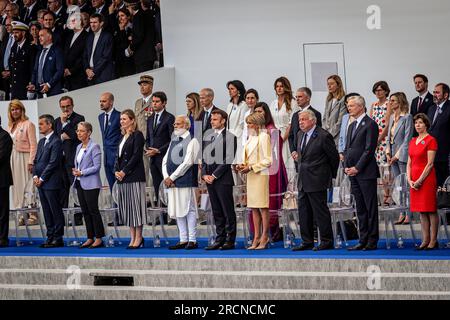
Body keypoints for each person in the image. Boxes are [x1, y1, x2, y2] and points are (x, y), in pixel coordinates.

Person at [292, 109, 339, 251]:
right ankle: (307, 241)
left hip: (317, 179)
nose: (301, 122)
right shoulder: (300, 134)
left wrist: (327, 176)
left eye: (304, 119)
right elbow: (302, 156)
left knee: (320, 212)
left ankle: (326, 240)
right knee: (304, 212)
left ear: (313, 120)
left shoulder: (323, 136)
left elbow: (334, 158)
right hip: (303, 180)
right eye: (300, 120)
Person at [344, 96, 379, 251]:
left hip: (365, 172)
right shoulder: (351, 126)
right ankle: (362, 238)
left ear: (360, 106)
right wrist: (346, 166)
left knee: (370, 207)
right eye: (348, 106)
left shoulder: (370, 124)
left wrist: (357, 167)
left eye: (351, 106)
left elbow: (369, 150)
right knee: (360, 208)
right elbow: (348, 148)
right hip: (353, 172)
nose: (349, 108)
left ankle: (372, 240)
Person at [164, 115, 200, 250]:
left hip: (185, 180)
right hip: (172, 181)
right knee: (178, 210)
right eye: (174, 124)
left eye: (178, 124)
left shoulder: (193, 140)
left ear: (186, 125)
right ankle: (183, 239)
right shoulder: (173, 140)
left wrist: (172, 177)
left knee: (188, 209)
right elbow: (165, 160)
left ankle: (192, 239)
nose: (175, 126)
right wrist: (167, 177)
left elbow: (188, 162)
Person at [202, 109, 237, 250]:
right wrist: (204, 174)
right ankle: (219, 238)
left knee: (227, 210)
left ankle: (230, 239)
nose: (212, 121)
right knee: (216, 210)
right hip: (209, 179)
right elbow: (203, 158)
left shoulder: (230, 137)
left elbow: (228, 159)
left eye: (215, 119)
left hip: (222, 179)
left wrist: (214, 175)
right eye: (211, 119)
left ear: (223, 121)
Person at [238, 112, 272, 250]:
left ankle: (264, 236)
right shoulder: (250, 138)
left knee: (263, 206)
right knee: (253, 207)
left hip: (260, 174)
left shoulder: (264, 136)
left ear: (257, 124)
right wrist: (242, 165)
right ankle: (256, 236)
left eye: (250, 123)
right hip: (250, 176)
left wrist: (251, 167)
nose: (248, 126)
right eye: (247, 123)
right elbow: (247, 157)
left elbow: (268, 160)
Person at [254, 102, 287, 241]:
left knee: (270, 203)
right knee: (257, 203)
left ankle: (271, 233)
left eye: (261, 112)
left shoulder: (272, 130)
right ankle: (258, 234)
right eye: (255, 112)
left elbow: (275, 155)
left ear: (266, 114)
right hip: (257, 171)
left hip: (271, 170)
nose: (258, 114)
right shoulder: (254, 131)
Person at [115, 109, 147, 249]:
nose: (122, 121)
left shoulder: (137, 135)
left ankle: (139, 237)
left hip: (134, 176)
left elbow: (136, 156)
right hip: (122, 178)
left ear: (132, 120)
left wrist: (124, 171)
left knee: (136, 208)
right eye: (121, 119)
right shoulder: (122, 137)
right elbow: (118, 157)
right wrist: (117, 171)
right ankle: (132, 236)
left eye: (124, 119)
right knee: (128, 208)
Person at [407, 114, 439, 250]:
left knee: (430, 210)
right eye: (416, 123)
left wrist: (420, 180)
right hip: (414, 180)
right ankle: (424, 240)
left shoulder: (431, 140)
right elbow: (409, 162)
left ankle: (433, 240)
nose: (418, 125)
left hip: (426, 179)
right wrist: (409, 179)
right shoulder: (412, 141)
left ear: (426, 124)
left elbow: (430, 163)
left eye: (420, 123)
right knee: (421, 211)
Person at [33, 114, 65, 248]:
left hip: (51, 182)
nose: (39, 126)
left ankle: (58, 238)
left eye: (41, 124)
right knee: (46, 210)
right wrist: (35, 176)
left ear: (49, 125)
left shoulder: (56, 141)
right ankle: (50, 236)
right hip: (41, 183)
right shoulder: (41, 142)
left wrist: (42, 178)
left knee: (54, 210)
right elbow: (35, 161)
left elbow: (53, 163)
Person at [73, 122, 105, 249]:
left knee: (93, 211)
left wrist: (82, 172)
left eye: (81, 131)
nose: (78, 133)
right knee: (85, 211)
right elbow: (78, 163)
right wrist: (76, 171)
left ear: (89, 132)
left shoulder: (94, 146)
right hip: (80, 182)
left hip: (91, 183)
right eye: (77, 131)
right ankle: (89, 237)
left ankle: (99, 238)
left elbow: (97, 167)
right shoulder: (78, 147)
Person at [6, 100, 37, 225]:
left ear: (22, 110)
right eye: (12, 110)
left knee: (27, 185)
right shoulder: (10, 126)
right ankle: (21, 213)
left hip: (25, 157)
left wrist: (31, 161)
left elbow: (34, 144)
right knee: (16, 186)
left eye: (17, 109)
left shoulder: (28, 124)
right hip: (12, 158)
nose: (15, 112)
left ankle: (33, 214)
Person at [55, 96, 85, 225]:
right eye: (63, 107)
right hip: (60, 161)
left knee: (75, 190)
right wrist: (62, 134)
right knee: (62, 190)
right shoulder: (57, 121)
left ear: (72, 105)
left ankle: (78, 219)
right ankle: (63, 218)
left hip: (73, 160)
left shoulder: (79, 118)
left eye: (68, 106)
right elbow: (55, 139)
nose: (66, 109)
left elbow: (76, 136)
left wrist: (65, 124)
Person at [145, 91, 175, 203]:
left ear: (164, 103)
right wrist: (148, 149)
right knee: (157, 186)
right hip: (152, 158)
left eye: (157, 101)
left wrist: (158, 150)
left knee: (167, 184)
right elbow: (148, 138)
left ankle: (170, 214)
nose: (154, 104)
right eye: (153, 101)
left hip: (164, 157)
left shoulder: (169, 117)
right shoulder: (150, 118)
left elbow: (172, 139)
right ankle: (161, 213)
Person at [270, 76, 297, 180]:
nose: (279, 88)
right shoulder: (273, 103)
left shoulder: (292, 102)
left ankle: (290, 191)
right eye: (277, 86)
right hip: (275, 135)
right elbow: (271, 121)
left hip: (287, 135)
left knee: (288, 163)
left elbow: (291, 123)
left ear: (286, 87)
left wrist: (283, 138)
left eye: (281, 86)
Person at [28, 28, 64, 98]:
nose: (39, 38)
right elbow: (35, 70)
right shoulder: (39, 52)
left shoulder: (57, 51)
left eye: (42, 35)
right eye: (39, 36)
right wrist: (33, 83)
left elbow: (60, 71)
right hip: (40, 91)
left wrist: (49, 84)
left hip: (54, 91)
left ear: (49, 36)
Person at [289, 87, 322, 162]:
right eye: (296, 97)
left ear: (308, 98)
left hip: (311, 157)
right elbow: (291, 135)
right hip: (296, 156)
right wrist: (293, 151)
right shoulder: (295, 115)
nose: (297, 99)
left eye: (300, 97)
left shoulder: (316, 114)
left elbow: (317, 135)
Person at [427, 83, 450, 187]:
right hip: (431, 154)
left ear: (446, 95)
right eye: (434, 92)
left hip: (445, 154)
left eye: (437, 92)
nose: (434, 94)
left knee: (444, 185)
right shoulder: (431, 109)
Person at [386, 92, 413, 179]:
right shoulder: (391, 117)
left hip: (402, 156)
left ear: (400, 102)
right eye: (390, 100)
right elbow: (389, 137)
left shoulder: (407, 117)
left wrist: (396, 156)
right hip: (391, 155)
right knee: (397, 184)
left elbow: (407, 140)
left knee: (404, 182)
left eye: (393, 100)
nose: (390, 102)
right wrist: (388, 153)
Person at [125, 0, 157, 72]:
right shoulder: (145, 14)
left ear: (131, 7)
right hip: (148, 55)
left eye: (127, 7)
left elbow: (139, 36)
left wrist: (130, 48)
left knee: (144, 80)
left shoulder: (137, 17)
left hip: (143, 56)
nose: (127, 9)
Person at [98, 92, 121, 191]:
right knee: (111, 185)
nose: (101, 103)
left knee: (118, 185)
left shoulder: (119, 116)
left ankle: (120, 206)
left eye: (104, 101)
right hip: (106, 157)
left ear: (111, 102)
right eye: (100, 101)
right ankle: (114, 206)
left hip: (116, 156)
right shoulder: (101, 117)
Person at [83, 13, 114, 85]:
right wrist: (87, 69)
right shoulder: (89, 37)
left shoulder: (107, 36)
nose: (92, 25)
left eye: (95, 22)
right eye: (91, 22)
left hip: (103, 75)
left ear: (101, 23)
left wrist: (93, 72)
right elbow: (85, 56)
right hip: (90, 75)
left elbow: (106, 57)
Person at [9, 21, 36, 100]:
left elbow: (33, 68)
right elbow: (12, 67)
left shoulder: (31, 47)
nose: (14, 35)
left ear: (23, 33)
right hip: (15, 88)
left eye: (17, 32)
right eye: (13, 33)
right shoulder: (14, 47)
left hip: (25, 87)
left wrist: (31, 84)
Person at [134, 75, 153, 186]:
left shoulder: (155, 100)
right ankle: (146, 194)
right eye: (141, 85)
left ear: (151, 86)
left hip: (151, 139)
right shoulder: (137, 102)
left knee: (153, 168)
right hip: (140, 139)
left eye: (145, 85)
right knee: (143, 167)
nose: (142, 87)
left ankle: (155, 195)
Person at [226, 80, 248, 168]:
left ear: (238, 90)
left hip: (239, 138)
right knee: (231, 167)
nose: (229, 91)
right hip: (229, 138)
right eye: (229, 89)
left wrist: (233, 136)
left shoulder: (243, 105)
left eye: (232, 89)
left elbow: (242, 124)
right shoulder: (230, 105)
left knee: (239, 165)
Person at [63, 13, 88, 91]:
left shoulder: (87, 36)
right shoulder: (69, 36)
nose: (71, 23)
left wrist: (72, 70)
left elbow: (84, 56)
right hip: (68, 77)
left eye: (73, 21)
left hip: (80, 76)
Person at [323, 74, 346, 146]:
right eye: (328, 84)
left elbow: (340, 122)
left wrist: (329, 135)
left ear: (338, 85)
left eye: (332, 84)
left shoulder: (343, 100)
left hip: (337, 136)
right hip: (326, 135)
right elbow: (324, 119)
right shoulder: (329, 100)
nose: (329, 86)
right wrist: (324, 132)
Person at [0, 115, 13, 248]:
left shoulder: (4, 136)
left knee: (2, 211)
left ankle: (2, 238)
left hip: (1, 180)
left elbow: (2, 156)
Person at [113, 8, 135, 77]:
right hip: (119, 64)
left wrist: (122, 30)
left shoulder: (133, 28)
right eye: (119, 16)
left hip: (130, 64)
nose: (120, 18)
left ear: (128, 16)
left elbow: (125, 46)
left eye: (122, 15)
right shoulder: (117, 30)